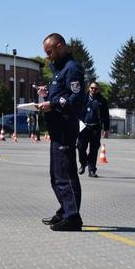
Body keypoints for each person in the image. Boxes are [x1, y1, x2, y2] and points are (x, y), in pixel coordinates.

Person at [37, 33, 86, 231]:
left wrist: (53, 102)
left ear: (60, 46)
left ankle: (73, 217)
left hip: (66, 127)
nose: (48, 56)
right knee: (55, 175)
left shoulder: (72, 69)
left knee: (65, 173)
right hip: (57, 128)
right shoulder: (60, 71)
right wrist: (46, 94)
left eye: (49, 52)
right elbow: (61, 95)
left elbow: (76, 99)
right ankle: (65, 210)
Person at [77, 82, 110, 178]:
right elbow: (76, 111)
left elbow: (105, 116)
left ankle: (92, 170)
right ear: (88, 88)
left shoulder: (102, 101)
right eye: (92, 88)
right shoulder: (83, 99)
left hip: (95, 128)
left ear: (98, 89)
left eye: (95, 88)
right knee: (80, 147)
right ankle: (83, 163)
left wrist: (106, 129)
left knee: (94, 150)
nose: (93, 90)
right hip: (83, 127)